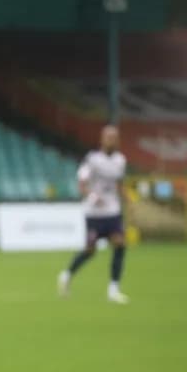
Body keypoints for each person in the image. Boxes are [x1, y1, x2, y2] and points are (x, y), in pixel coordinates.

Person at [58, 125, 130, 304]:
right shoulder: (92, 159)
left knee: (120, 244)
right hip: (94, 213)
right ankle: (67, 275)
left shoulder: (121, 160)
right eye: (108, 137)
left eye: (115, 137)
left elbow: (119, 185)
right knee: (90, 250)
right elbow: (82, 183)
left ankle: (114, 289)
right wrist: (92, 196)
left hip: (113, 211)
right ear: (102, 139)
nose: (112, 140)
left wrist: (128, 199)